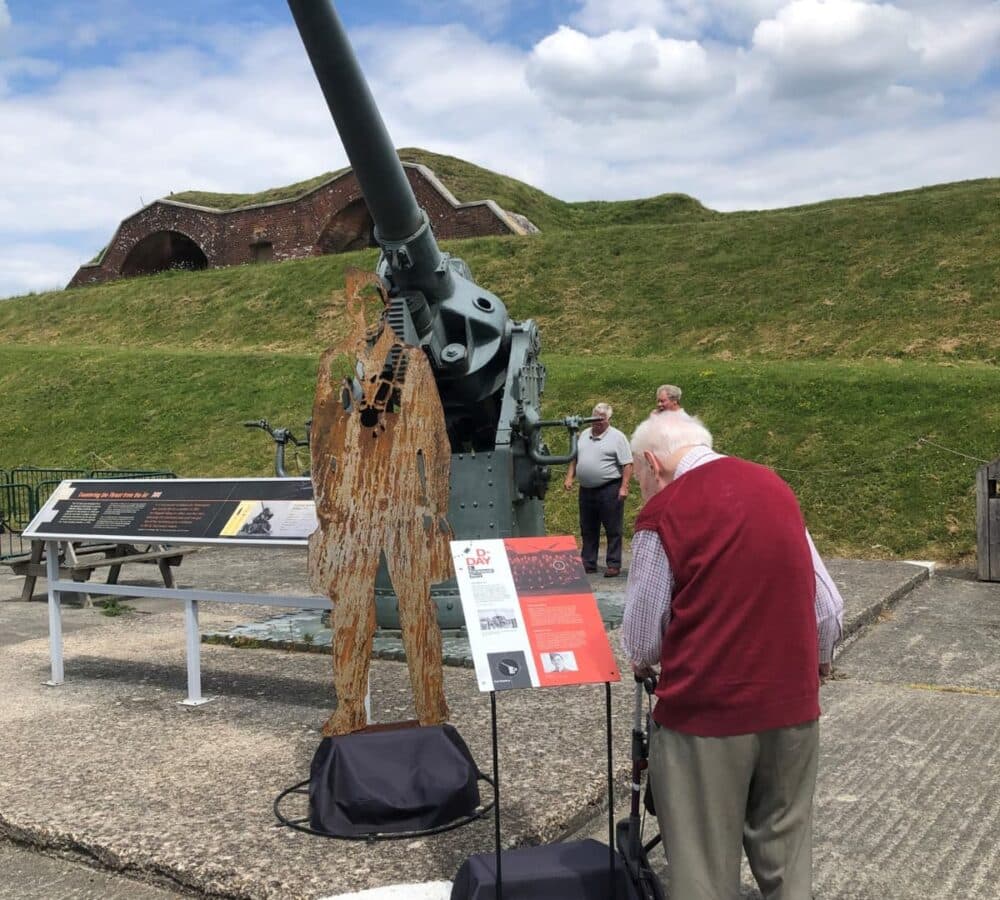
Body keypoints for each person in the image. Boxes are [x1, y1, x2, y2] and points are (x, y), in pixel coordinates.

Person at [622, 411, 844, 900]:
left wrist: (640, 661)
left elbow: (644, 639)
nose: (639, 489)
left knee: (703, 871)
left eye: (637, 478)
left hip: (706, 718)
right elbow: (828, 607)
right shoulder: (774, 488)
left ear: (652, 463)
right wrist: (819, 664)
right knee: (788, 864)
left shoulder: (664, 512)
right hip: (792, 710)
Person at [563, 402, 633, 577]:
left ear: (608, 419)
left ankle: (614, 564)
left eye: (601, 420)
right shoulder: (584, 434)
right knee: (587, 527)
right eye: (594, 418)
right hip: (586, 489)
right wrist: (570, 476)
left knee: (612, 527)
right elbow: (574, 457)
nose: (597, 422)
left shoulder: (617, 437)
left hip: (609, 488)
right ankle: (588, 562)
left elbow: (627, 464)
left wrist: (624, 487)